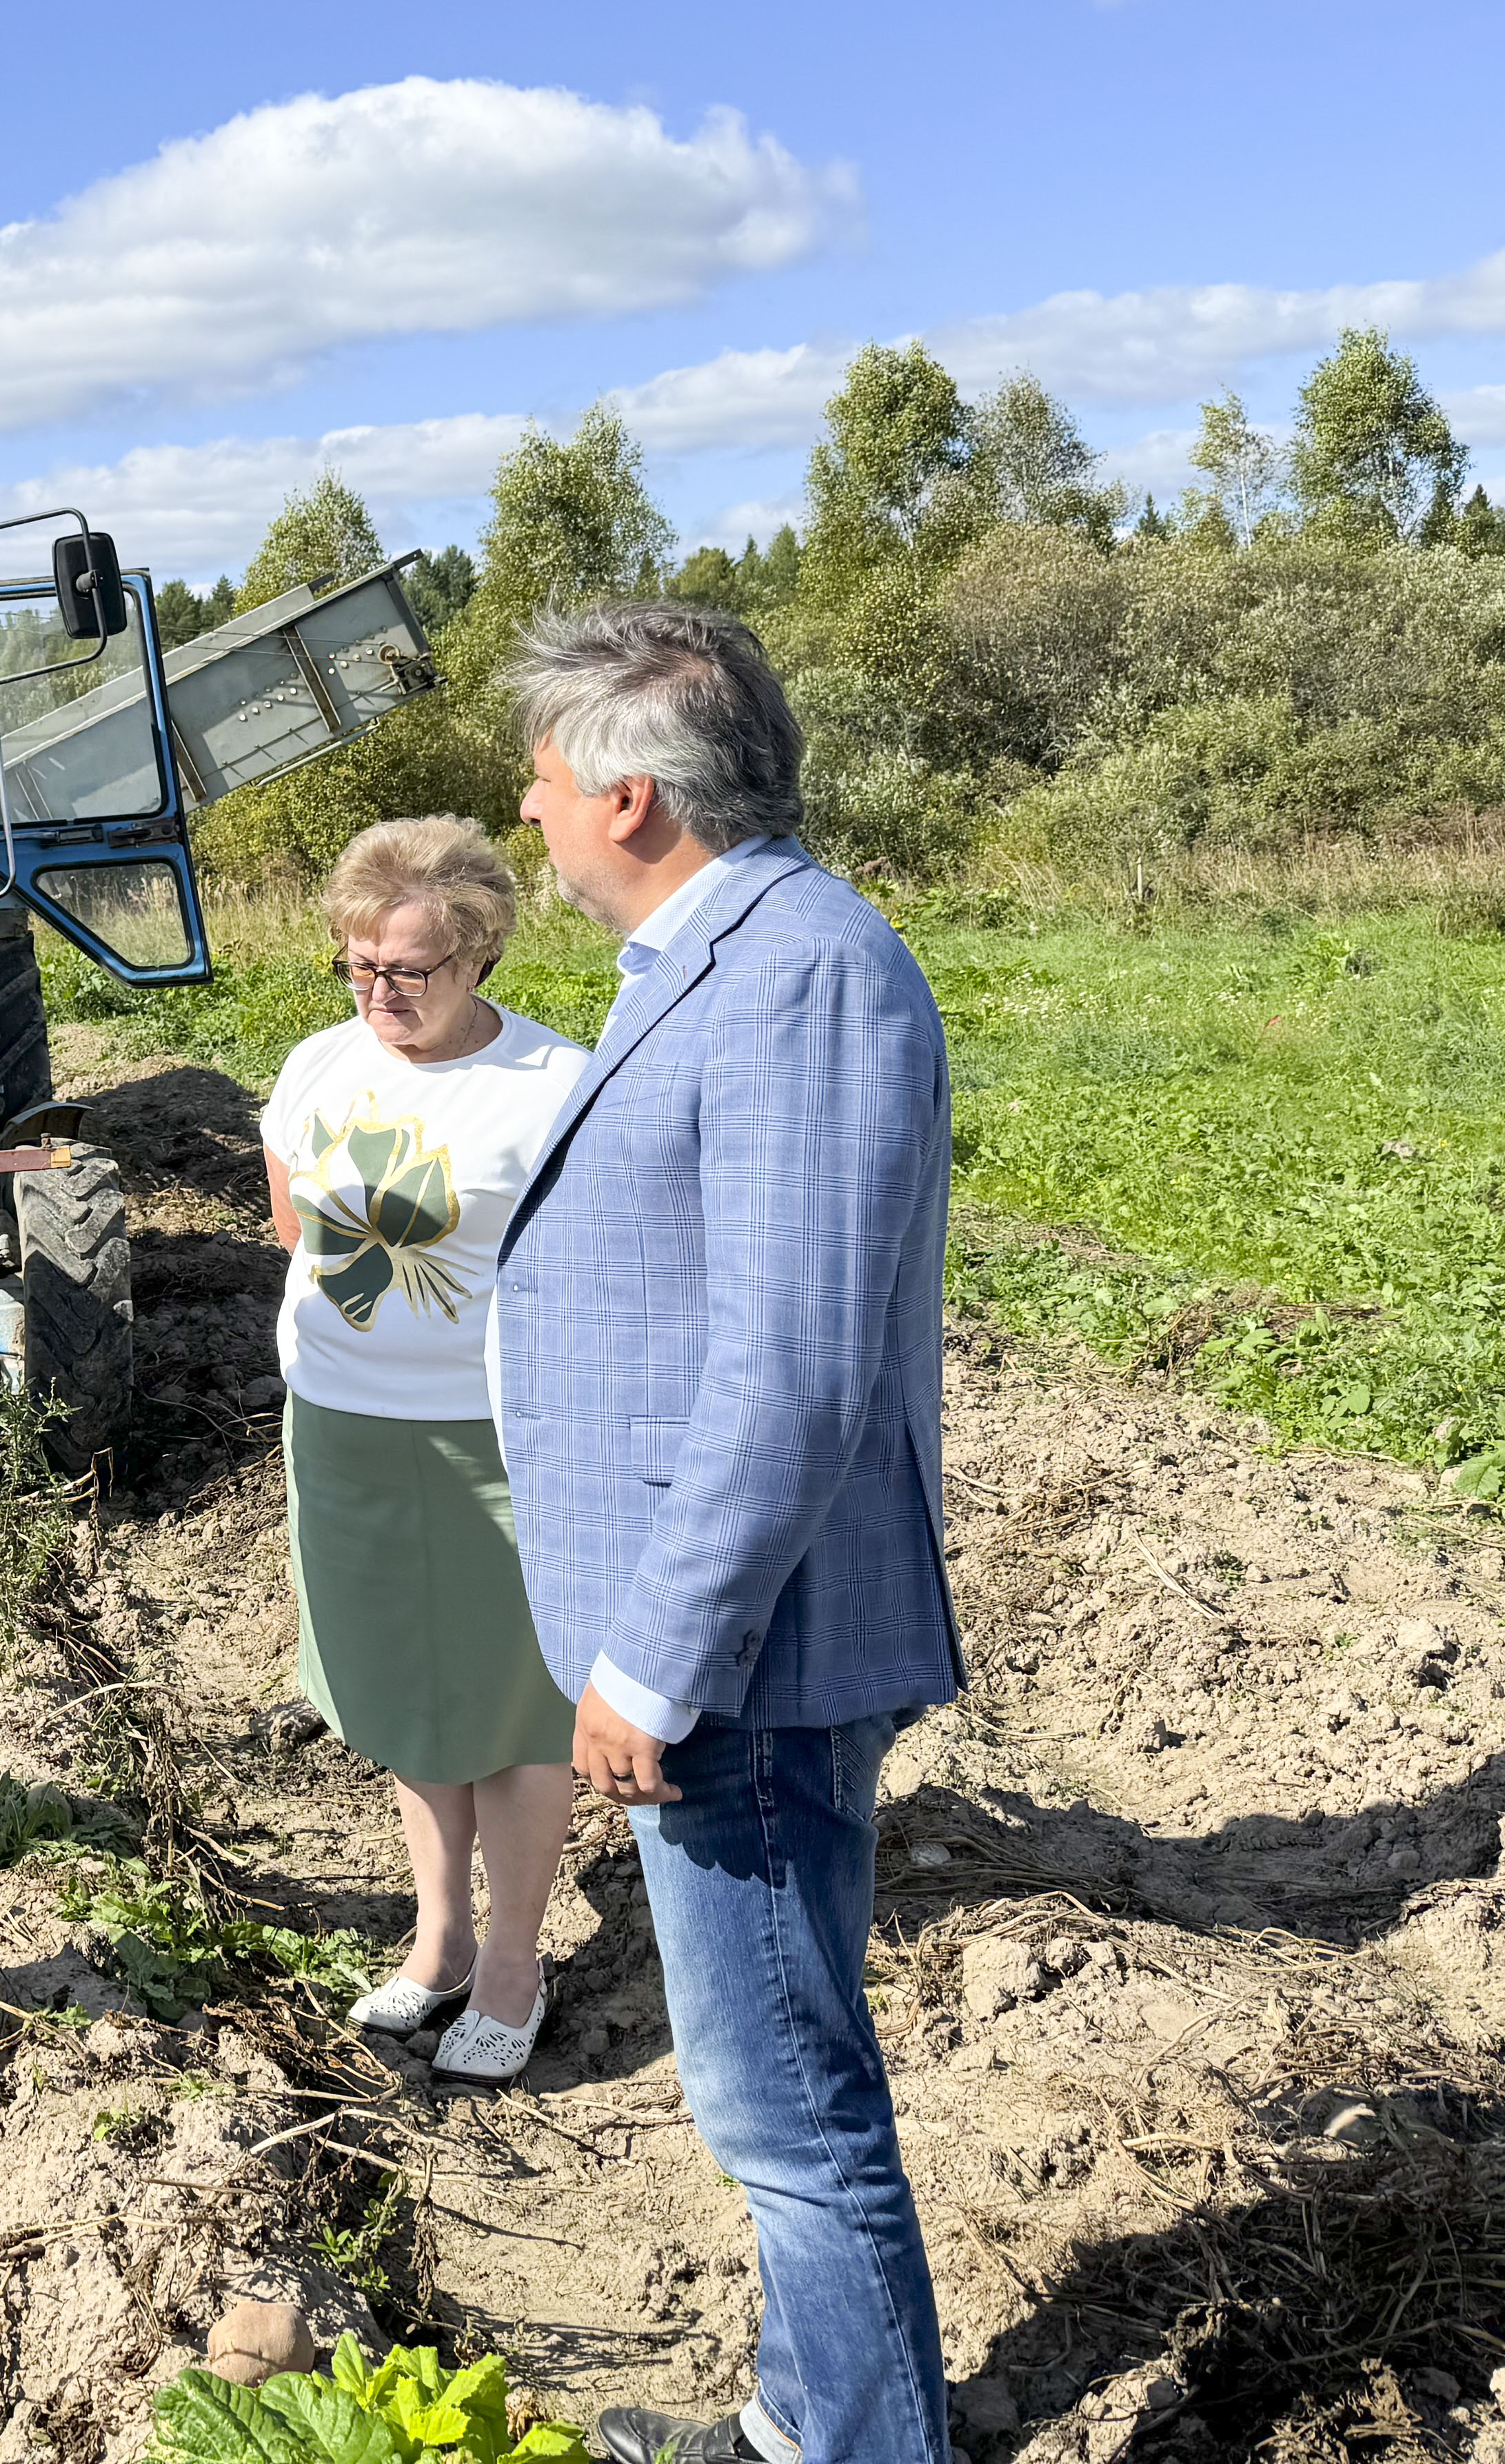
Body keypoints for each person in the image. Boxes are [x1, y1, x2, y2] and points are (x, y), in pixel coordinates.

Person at [489, 601, 964, 2464]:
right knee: (773, 2078)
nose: (524, 814)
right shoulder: (717, 954)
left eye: (537, 778)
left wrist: (651, 1654)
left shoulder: (798, 974)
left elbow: (789, 1364)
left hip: (745, 1654)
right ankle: (808, 2410)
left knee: (784, 2100)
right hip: (726, 1636)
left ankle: (862, 2445)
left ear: (625, 793)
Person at [258, 818, 588, 2089]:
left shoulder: (556, 1086)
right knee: (400, 1690)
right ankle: (438, 1935)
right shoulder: (320, 1064)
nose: (380, 994)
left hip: (498, 1439)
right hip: (342, 1427)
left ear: (481, 954)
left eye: (410, 971)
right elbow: (289, 1202)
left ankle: (515, 1960)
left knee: (513, 1712)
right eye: (358, 966)